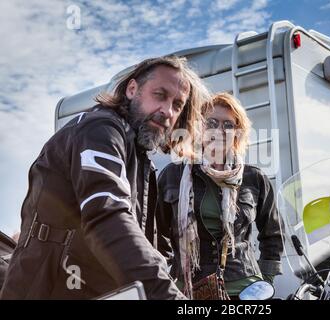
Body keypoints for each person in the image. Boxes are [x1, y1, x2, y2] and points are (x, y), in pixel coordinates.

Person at [0, 56, 210, 300]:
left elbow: (148, 241)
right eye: (160, 95)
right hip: (47, 287)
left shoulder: (142, 160)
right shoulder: (100, 130)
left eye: (177, 105)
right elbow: (107, 215)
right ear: (132, 89)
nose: (167, 111)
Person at [156, 92, 284, 299]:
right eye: (211, 122)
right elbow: (157, 236)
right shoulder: (172, 175)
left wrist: (266, 281)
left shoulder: (254, 178)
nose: (219, 130)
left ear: (237, 134)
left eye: (228, 125)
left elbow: (273, 235)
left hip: (246, 289)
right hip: (187, 290)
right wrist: (161, 281)